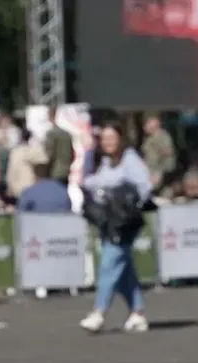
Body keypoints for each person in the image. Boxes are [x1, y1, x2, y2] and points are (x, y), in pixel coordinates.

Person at [79, 123, 150, 334]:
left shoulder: (130, 160)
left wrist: (126, 199)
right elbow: (91, 182)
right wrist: (89, 154)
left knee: (109, 264)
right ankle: (138, 313)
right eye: (104, 138)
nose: (108, 142)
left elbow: (145, 187)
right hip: (108, 220)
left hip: (124, 221)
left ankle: (99, 312)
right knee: (124, 269)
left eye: (112, 137)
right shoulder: (107, 162)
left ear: (121, 138)